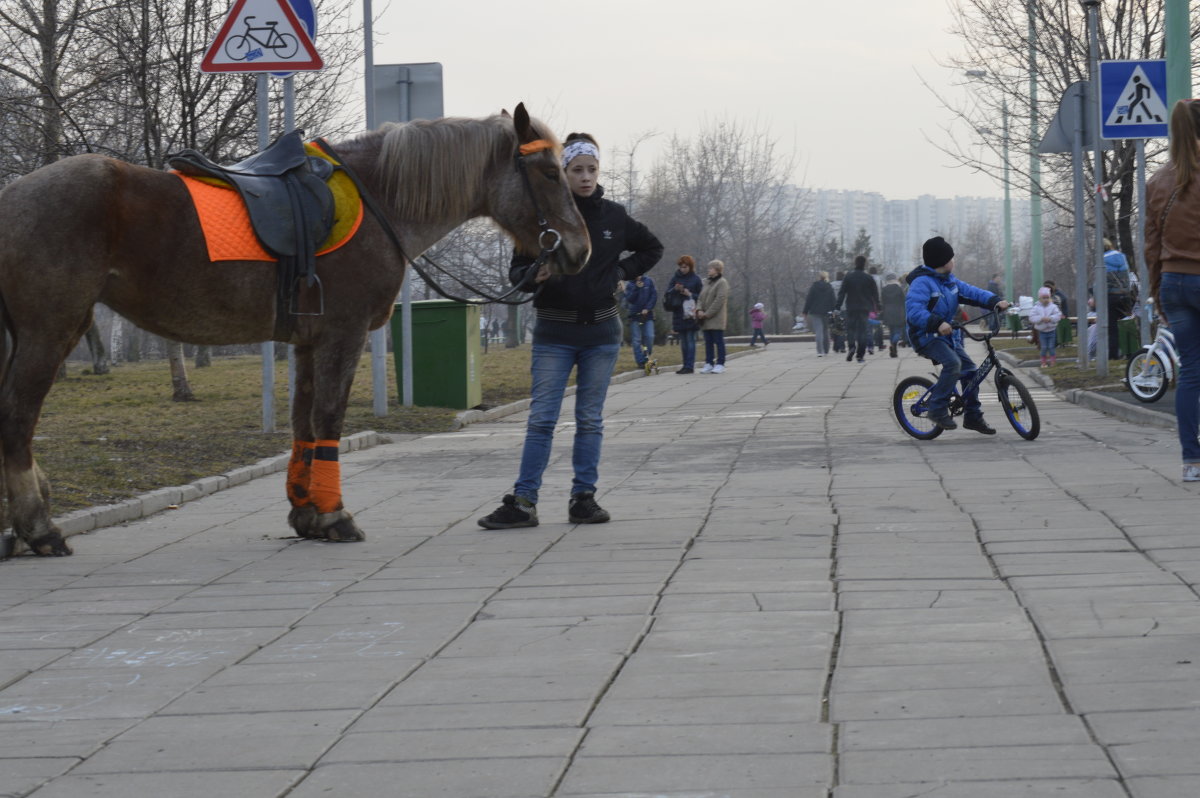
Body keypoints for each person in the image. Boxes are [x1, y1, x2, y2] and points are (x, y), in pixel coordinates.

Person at [478, 132, 663, 529]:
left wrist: (622, 272)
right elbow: (516, 274)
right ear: (563, 172)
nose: (585, 177)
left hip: (601, 335)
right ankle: (523, 502)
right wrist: (533, 274)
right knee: (542, 419)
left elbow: (652, 248)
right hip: (554, 336)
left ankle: (584, 499)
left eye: (592, 170)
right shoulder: (543, 217)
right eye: (577, 169)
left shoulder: (614, 217)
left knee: (590, 420)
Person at [1144, 98, 1200, 483]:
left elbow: (1150, 247)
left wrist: (1158, 292)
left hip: (1174, 284)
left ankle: (1191, 462)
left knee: (1192, 373)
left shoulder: (1157, 182)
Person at [905, 236, 1011, 433]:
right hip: (925, 337)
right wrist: (937, 323)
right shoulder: (922, 283)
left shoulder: (949, 282)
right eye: (951, 258)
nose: (954, 261)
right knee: (953, 364)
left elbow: (973, 293)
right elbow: (914, 312)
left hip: (946, 336)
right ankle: (936, 409)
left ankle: (973, 416)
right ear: (942, 261)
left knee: (971, 371)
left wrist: (995, 301)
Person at [836, 255, 880, 362]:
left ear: (855, 263)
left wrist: (837, 306)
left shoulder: (848, 277)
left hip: (851, 307)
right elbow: (875, 293)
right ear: (865, 264)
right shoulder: (868, 278)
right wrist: (878, 306)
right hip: (864, 307)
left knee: (850, 329)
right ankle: (860, 354)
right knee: (863, 331)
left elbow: (842, 293)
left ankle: (851, 347)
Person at [665, 255, 703, 373]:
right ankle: (685, 364)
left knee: (690, 339)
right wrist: (675, 289)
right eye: (681, 267)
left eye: (685, 267)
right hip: (679, 312)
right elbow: (668, 293)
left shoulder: (696, 279)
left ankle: (690, 365)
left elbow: (701, 297)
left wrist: (690, 294)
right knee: (683, 341)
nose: (683, 269)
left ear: (690, 267)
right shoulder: (675, 278)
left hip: (691, 313)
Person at [697, 259, 730, 373]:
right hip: (705, 318)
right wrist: (699, 310)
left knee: (718, 340)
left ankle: (720, 363)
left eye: (710, 268)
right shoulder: (706, 282)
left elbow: (719, 300)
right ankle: (709, 362)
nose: (708, 270)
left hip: (716, 318)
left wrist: (707, 314)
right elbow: (700, 298)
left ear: (717, 269)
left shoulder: (722, 283)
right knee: (708, 341)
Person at [1103, 238, 1133, 359]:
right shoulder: (1122, 257)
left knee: (1113, 327)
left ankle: (1113, 355)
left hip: (1111, 296)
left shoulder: (1102, 259)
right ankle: (1130, 352)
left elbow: (1102, 281)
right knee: (1127, 324)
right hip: (1125, 295)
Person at [623, 272, 657, 367]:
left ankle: (646, 358)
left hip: (647, 315)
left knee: (649, 337)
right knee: (636, 340)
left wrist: (648, 308)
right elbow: (630, 299)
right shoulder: (630, 284)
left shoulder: (649, 281)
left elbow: (653, 296)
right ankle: (640, 362)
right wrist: (636, 288)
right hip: (635, 315)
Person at [803, 271, 836, 356]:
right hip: (827, 311)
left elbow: (809, 299)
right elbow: (833, 300)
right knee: (826, 331)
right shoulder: (829, 287)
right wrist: (834, 311)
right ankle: (826, 350)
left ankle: (819, 351)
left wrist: (805, 311)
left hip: (815, 311)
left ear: (819, 277)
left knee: (819, 331)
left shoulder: (814, 286)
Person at [1029, 286, 1064, 367]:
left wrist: (1051, 318)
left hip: (1052, 330)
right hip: (1042, 332)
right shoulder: (1036, 308)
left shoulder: (1053, 307)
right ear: (1040, 298)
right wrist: (1041, 319)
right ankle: (1043, 362)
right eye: (1043, 298)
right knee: (1044, 347)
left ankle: (1052, 361)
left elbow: (1058, 315)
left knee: (1052, 347)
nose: (1046, 299)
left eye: (1047, 297)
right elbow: (1031, 317)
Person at [880, 272, 906, 357]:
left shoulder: (884, 289)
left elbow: (882, 301)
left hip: (888, 311)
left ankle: (893, 351)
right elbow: (903, 300)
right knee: (898, 331)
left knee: (891, 331)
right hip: (898, 311)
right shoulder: (899, 288)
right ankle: (894, 344)